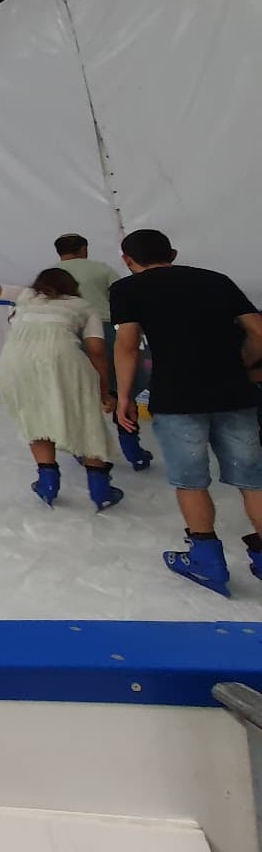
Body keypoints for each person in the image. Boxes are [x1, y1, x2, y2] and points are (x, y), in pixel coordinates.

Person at [109, 229, 262, 594]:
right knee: (253, 479)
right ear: (173, 254)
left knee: (191, 481)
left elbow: (127, 345)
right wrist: (245, 363)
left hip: (177, 397)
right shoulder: (217, 280)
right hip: (235, 394)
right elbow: (258, 330)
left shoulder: (127, 289)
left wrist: (124, 396)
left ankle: (208, 561)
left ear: (127, 260)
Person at [0, 257, 123, 511]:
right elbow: (96, 350)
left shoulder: (25, 295)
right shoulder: (84, 306)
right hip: (63, 359)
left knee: (33, 414)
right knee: (86, 419)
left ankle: (47, 483)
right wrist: (104, 388)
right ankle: (100, 489)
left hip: (15, 361)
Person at [54, 233, 151, 469]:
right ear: (84, 249)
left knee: (77, 393)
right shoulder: (101, 269)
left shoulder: (50, 274)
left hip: (66, 334)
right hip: (105, 331)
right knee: (121, 389)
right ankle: (133, 449)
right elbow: (123, 295)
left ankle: (83, 450)